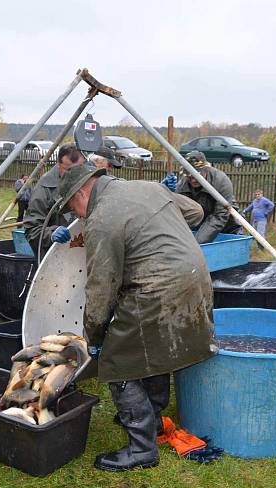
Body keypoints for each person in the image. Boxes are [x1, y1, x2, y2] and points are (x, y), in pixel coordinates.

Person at [55, 164, 214, 471]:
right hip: (196, 279)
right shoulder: (148, 187)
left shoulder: (100, 218)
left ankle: (142, 449)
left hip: (158, 287)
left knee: (117, 362)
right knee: (150, 348)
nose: (76, 216)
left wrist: (96, 337)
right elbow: (195, 212)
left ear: (83, 192)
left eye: (72, 207)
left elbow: (101, 288)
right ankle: (151, 420)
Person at [23, 143, 87, 256]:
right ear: (59, 165)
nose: (75, 175)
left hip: (81, 250)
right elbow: (32, 230)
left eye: (79, 169)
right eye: (68, 170)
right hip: (55, 256)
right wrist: (51, 234)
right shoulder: (44, 188)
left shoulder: (87, 180)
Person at [175, 150, 239, 244]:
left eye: (196, 176)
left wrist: (197, 243)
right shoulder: (182, 186)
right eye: (189, 177)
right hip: (200, 227)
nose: (193, 180)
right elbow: (178, 215)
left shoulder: (221, 181)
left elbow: (220, 217)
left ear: (206, 169)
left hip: (228, 228)